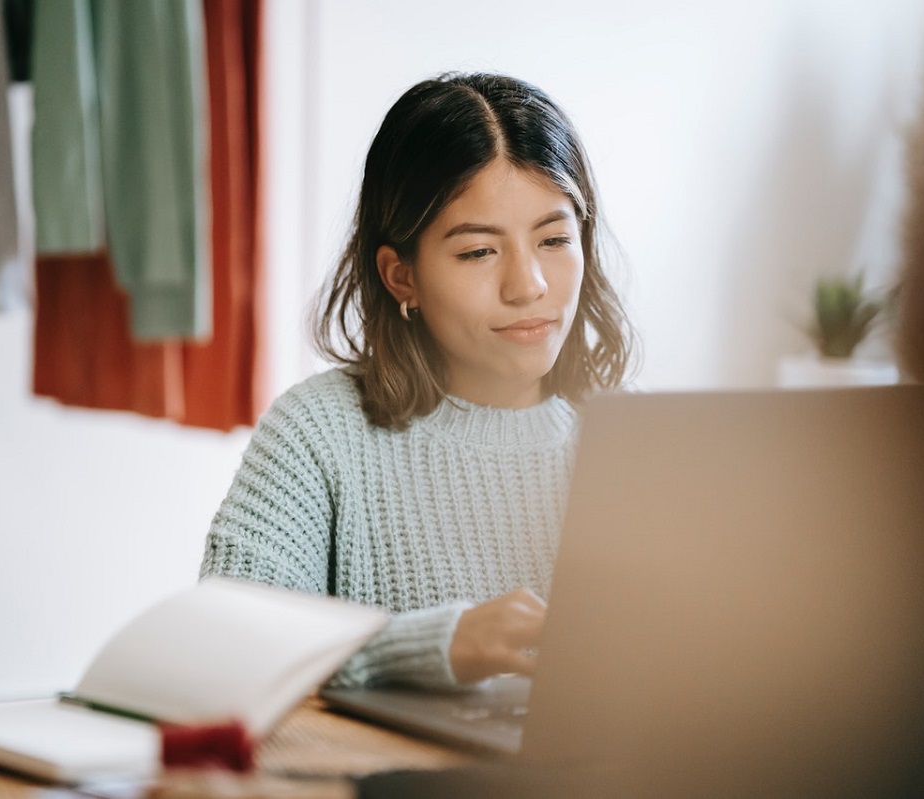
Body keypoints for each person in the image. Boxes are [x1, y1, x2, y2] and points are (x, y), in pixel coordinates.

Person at [199, 72, 636, 689]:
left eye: (555, 239)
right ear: (400, 276)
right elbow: (218, 646)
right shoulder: (320, 435)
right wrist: (434, 646)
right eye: (479, 251)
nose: (529, 285)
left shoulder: (636, 440)